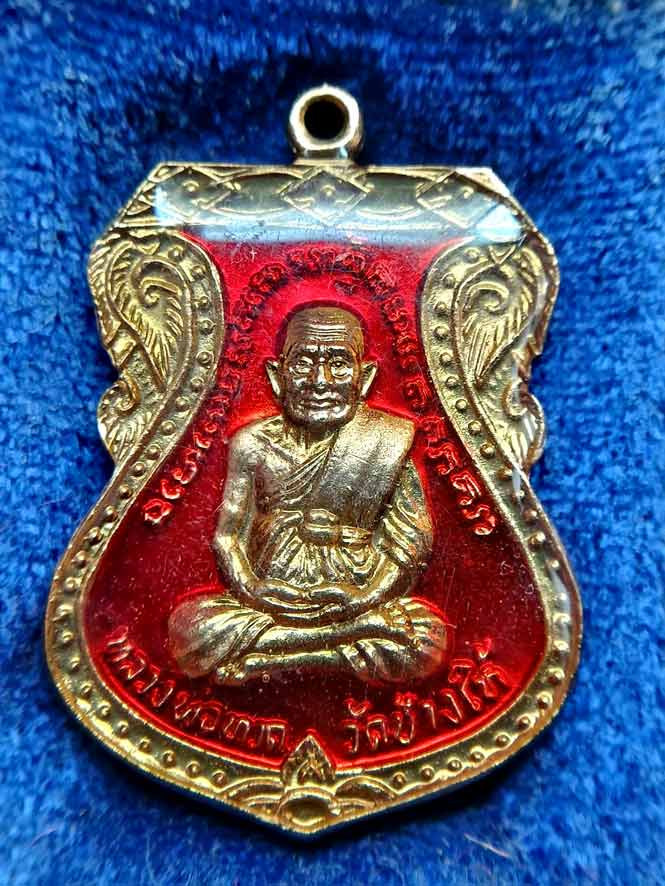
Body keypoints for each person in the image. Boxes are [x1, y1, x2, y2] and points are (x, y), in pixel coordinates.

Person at [169, 306, 447, 685]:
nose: (320, 381)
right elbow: (228, 536)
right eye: (302, 363)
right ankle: (345, 640)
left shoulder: (387, 442)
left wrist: (367, 598)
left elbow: (410, 544)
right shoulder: (252, 444)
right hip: (271, 601)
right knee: (191, 630)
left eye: (339, 364)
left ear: (364, 378)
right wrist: (252, 589)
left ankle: (271, 658)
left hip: (354, 595)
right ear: (277, 376)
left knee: (428, 640)